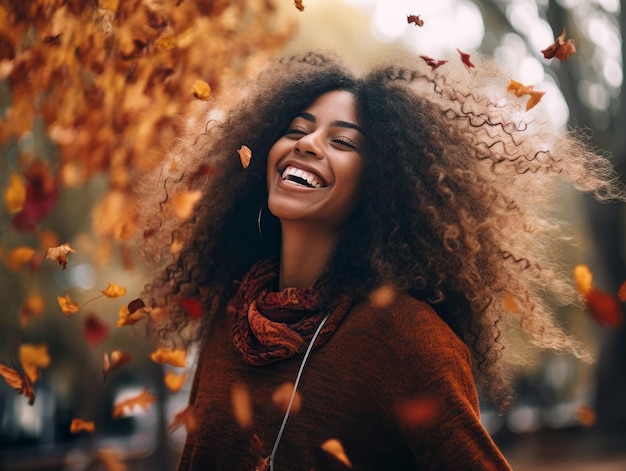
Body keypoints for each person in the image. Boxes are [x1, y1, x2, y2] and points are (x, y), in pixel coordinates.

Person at [134, 51, 623, 470]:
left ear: (379, 188)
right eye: (297, 131)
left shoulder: (405, 337)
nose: (307, 143)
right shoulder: (232, 319)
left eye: (342, 142)